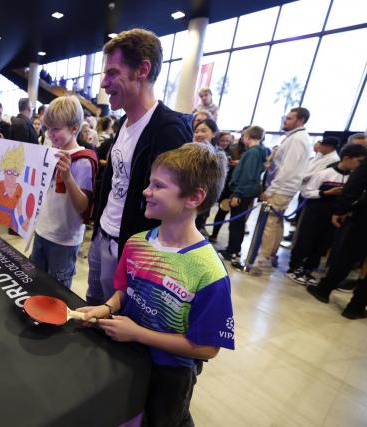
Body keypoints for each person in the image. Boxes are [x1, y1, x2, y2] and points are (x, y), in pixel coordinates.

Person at [79, 143, 234, 426]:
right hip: (128, 358)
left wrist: (138, 333)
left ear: (194, 197)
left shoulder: (210, 273)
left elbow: (207, 349)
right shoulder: (137, 243)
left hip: (170, 374)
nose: (146, 191)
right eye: (150, 183)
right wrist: (105, 308)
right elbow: (125, 291)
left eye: (158, 186)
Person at [87, 28, 192, 305]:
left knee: (114, 325)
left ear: (142, 70)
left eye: (112, 73)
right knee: (92, 310)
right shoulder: (123, 123)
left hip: (130, 250)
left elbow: (176, 208)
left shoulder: (169, 130)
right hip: (102, 237)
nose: (104, 83)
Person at [27, 96, 97, 288]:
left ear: (74, 128)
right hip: (42, 230)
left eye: (56, 129)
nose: (50, 134)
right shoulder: (49, 151)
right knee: (36, 284)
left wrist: (67, 177)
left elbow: (83, 205)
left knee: (57, 291)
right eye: (48, 128)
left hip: (64, 239)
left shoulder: (83, 160)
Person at [286, 143, 367, 285]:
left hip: (333, 216)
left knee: (322, 244)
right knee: (306, 240)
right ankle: (294, 268)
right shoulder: (325, 173)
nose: (360, 165)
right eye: (359, 161)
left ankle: (308, 269)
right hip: (315, 212)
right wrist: (325, 193)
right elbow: (306, 191)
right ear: (347, 158)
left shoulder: (353, 178)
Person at [307, 157, 367, 319]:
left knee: (347, 255)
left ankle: (324, 289)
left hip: (363, 219)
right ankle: (356, 306)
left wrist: (340, 210)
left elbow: (355, 185)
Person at [256, 107, 311, 271]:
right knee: (276, 222)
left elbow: (287, 169)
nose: (285, 121)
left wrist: (270, 190)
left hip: (281, 189)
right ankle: (270, 253)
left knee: (270, 223)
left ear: (300, 120)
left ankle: (264, 257)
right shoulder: (294, 137)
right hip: (283, 188)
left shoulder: (298, 139)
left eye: (289, 118)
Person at [219, 126, 267, 262]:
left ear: (247, 136)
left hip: (242, 192)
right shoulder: (260, 151)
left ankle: (232, 250)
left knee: (236, 223)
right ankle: (233, 249)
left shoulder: (253, 153)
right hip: (246, 191)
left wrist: (237, 194)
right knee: (238, 223)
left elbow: (247, 175)